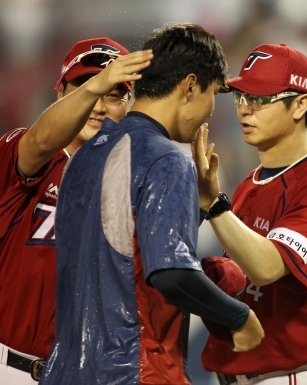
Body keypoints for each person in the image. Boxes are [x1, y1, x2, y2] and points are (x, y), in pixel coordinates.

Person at [38, 23, 264, 385]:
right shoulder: (166, 160)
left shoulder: (83, 157)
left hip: (65, 371)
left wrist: (200, 208)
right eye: (212, 94)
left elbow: (121, 249)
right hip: (138, 371)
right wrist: (238, 317)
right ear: (190, 86)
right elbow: (170, 273)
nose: (210, 111)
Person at [193, 43, 307, 385]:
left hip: (286, 376)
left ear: (300, 104)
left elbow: (267, 268)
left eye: (261, 99)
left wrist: (214, 205)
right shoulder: (249, 185)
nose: (245, 110)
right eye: (241, 97)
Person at [0, 36, 152, 384]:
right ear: (59, 95)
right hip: (10, 366)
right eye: (85, 87)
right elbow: (40, 141)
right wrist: (102, 83)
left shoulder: (135, 185)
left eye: (113, 94)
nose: (98, 106)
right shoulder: (23, 152)